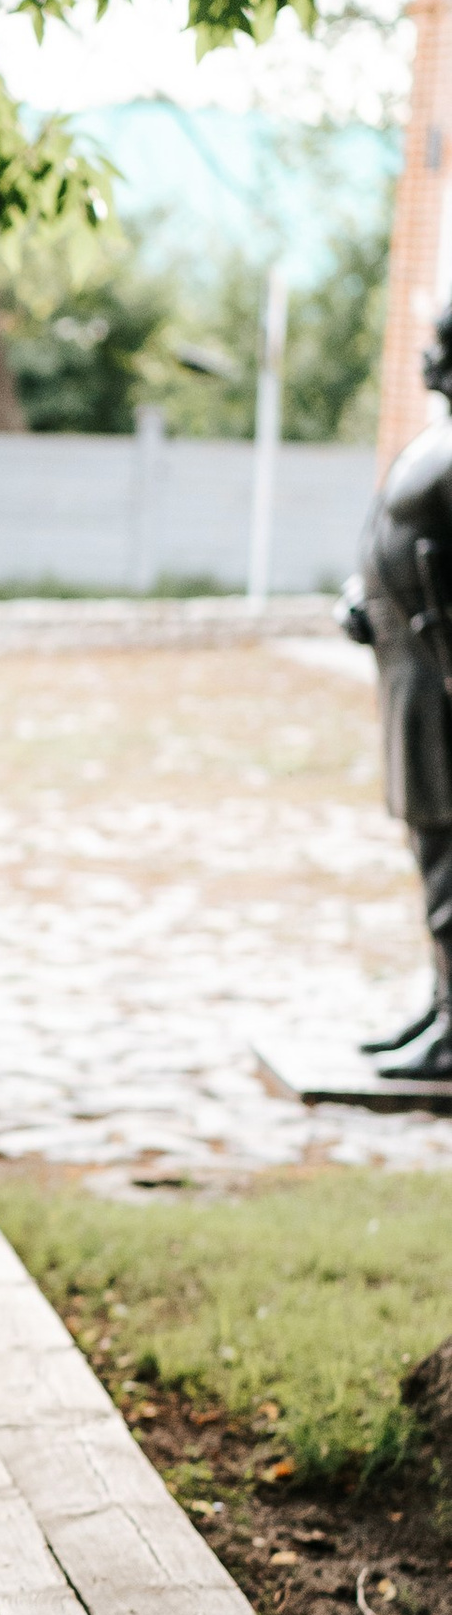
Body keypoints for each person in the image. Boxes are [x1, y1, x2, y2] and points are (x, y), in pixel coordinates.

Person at [340, 299, 452, 1081]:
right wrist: (363, 595)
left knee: (451, 864)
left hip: (440, 684)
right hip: (408, 677)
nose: (424, 358)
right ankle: (442, 1004)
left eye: (439, 345)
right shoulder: (433, 441)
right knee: (432, 852)